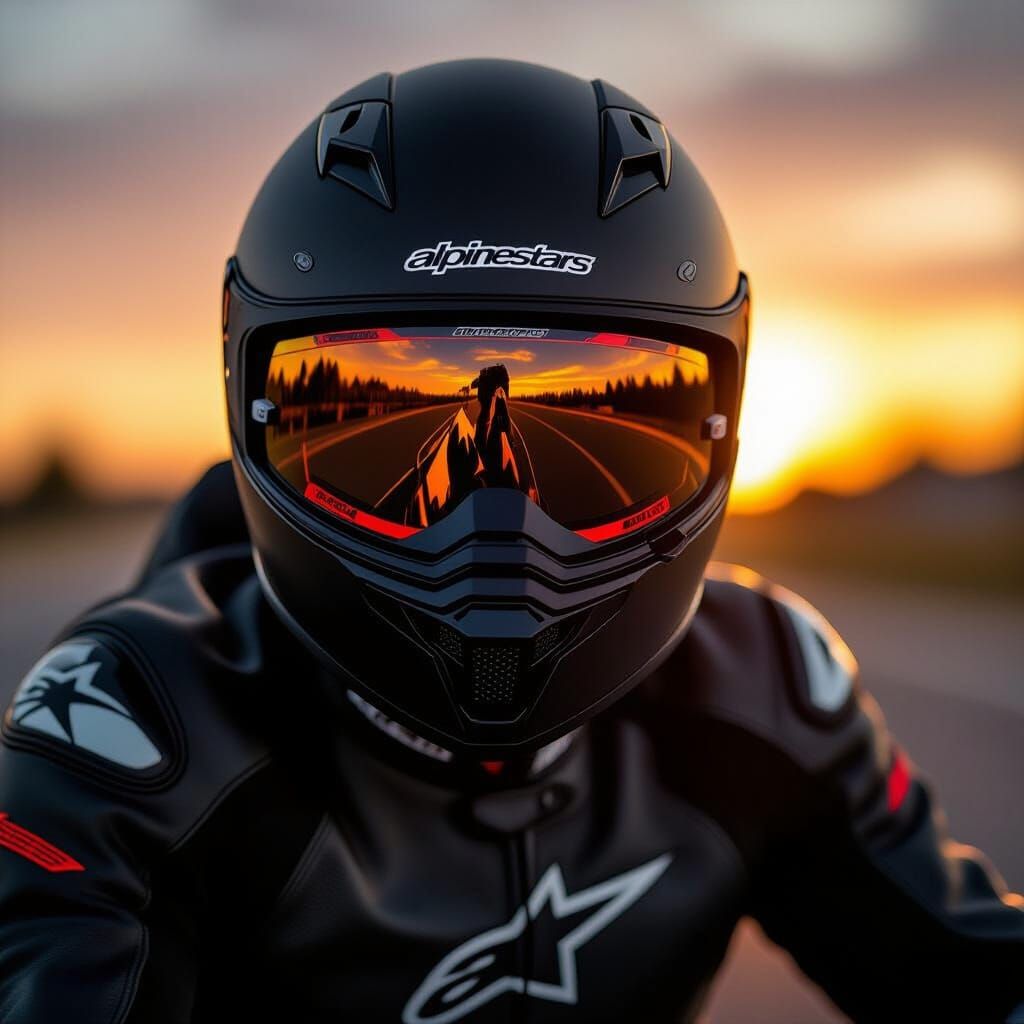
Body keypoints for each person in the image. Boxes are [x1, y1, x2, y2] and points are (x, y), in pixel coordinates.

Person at [1, 59, 1021, 1024]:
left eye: (578, 384)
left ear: (728, 415)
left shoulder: (762, 688)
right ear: (245, 405)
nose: (498, 543)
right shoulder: (133, 734)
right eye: (404, 378)